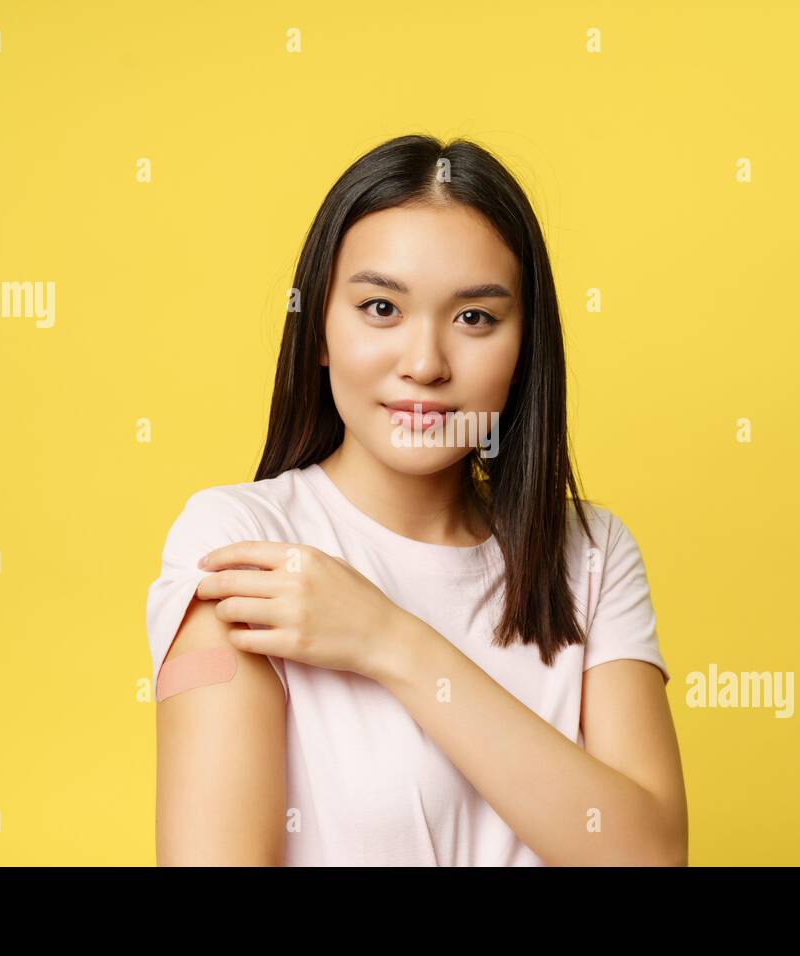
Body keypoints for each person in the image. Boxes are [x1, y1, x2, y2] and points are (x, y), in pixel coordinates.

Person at [146, 134, 687, 866]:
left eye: (475, 318)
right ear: (321, 333)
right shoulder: (241, 540)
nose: (426, 365)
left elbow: (648, 857)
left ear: (527, 346)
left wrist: (391, 642)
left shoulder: (589, 554)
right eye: (380, 308)